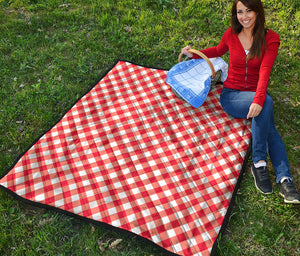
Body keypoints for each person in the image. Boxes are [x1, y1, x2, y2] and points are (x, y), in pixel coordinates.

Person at [181, 0, 300, 204]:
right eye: (240, 12)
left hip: (255, 93)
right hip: (232, 96)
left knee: (267, 116)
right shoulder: (231, 34)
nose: (244, 16)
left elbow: (265, 71)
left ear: (258, 11)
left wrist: (259, 99)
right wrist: (194, 55)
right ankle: (264, 166)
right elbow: (218, 50)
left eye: (249, 11)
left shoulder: (271, 39)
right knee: (267, 107)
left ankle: (282, 177)